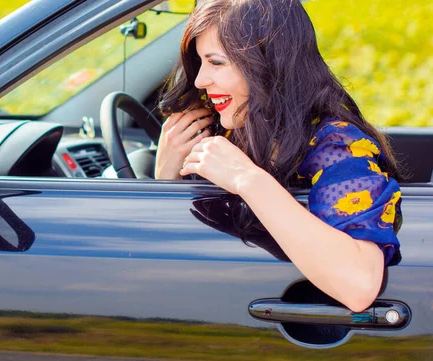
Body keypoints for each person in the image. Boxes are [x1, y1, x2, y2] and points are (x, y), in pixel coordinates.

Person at [155, 0, 403, 312]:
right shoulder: (237, 128)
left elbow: (359, 286)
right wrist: (165, 174)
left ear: (267, 67)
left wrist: (247, 179)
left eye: (216, 63)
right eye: (200, 64)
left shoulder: (337, 145)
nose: (199, 81)